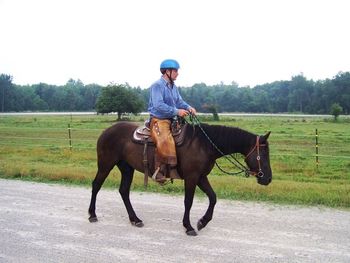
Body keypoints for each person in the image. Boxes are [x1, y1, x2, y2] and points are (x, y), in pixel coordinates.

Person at [148, 59, 197, 183]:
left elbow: (179, 102)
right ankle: (160, 170)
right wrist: (177, 112)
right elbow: (158, 105)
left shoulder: (173, 86)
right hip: (159, 119)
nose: (177, 73)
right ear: (167, 72)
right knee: (165, 139)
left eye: (177, 71)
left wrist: (188, 107)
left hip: (172, 119)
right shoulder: (157, 86)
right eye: (175, 71)